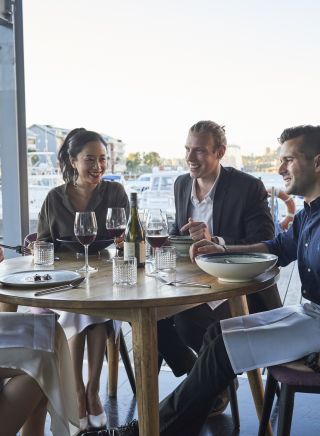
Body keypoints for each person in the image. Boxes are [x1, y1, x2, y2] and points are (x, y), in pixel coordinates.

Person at [111, 124, 320, 435]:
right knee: (216, 334)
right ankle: (170, 427)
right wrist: (221, 248)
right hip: (307, 315)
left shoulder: (254, 190)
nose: (280, 169)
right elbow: (276, 247)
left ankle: (147, 430)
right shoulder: (306, 215)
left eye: (288, 160)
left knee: (219, 343)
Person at [37, 128, 129, 431]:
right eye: (90, 159)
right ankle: (80, 392)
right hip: (63, 282)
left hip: (105, 276)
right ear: (72, 160)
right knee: (81, 307)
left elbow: (126, 239)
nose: (98, 166)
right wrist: (37, 248)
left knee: (96, 306)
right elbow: (43, 243)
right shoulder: (53, 199)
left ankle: (90, 390)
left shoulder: (115, 193)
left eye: (103, 159)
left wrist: (124, 243)